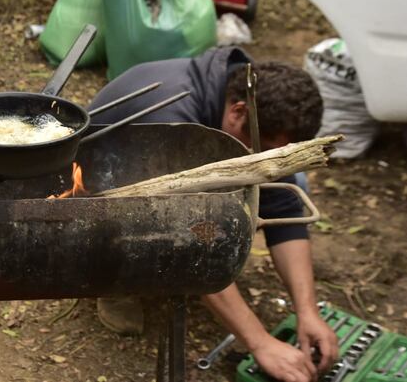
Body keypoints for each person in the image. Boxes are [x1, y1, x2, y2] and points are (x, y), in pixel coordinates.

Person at [88, 46, 339, 382]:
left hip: (174, 175)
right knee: (164, 231)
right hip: (104, 195)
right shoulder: (172, 121)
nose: (269, 154)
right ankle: (114, 281)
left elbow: (284, 207)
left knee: (293, 183)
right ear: (237, 112)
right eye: (266, 148)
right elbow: (186, 241)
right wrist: (260, 342)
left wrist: (307, 312)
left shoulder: (252, 98)